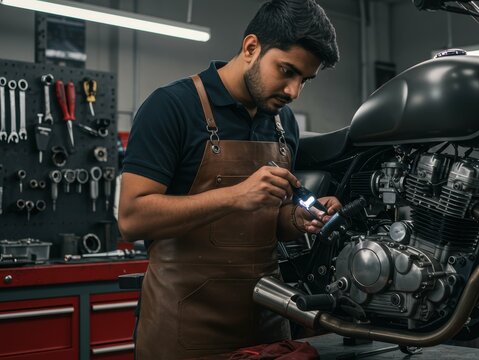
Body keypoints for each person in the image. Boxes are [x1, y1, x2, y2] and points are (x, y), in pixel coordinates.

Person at [118, 0, 340, 358]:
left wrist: (296, 220)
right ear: (251, 47)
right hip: (182, 329)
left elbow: (268, 220)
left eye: (305, 80)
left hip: (267, 325)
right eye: (286, 70)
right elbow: (131, 218)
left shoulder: (284, 124)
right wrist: (234, 196)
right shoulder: (172, 106)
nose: (293, 91)